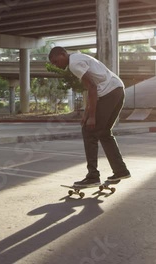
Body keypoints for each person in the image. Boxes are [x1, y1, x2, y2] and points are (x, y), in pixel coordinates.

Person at [49, 46, 130, 187]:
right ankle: (120, 170)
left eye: (56, 61)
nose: (56, 65)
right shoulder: (78, 58)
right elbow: (91, 90)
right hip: (117, 90)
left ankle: (93, 176)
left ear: (63, 54)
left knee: (89, 130)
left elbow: (92, 87)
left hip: (109, 92)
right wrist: (87, 113)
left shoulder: (74, 64)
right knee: (104, 133)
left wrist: (91, 117)